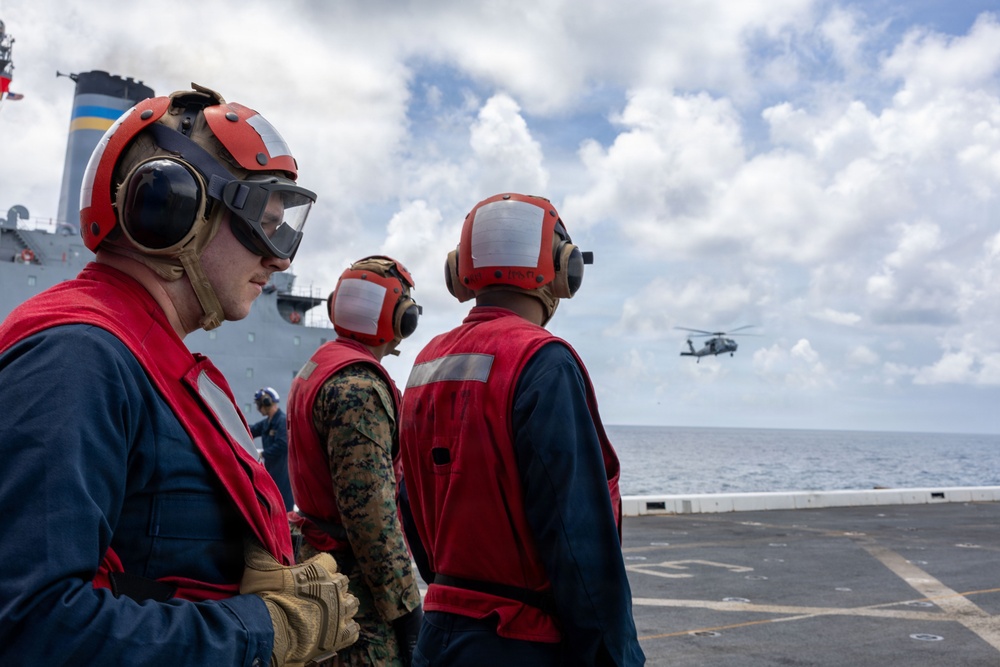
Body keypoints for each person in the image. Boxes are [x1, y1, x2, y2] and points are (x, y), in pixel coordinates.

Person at [0, 84, 359, 666]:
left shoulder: (146, 360)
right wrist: (262, 630)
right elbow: (31, 627)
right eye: (261, 223)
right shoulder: (76, 358)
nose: (279, 258)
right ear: (173, 208)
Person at [397, 193, 646, 666]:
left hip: (440, 637)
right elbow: (577, 538)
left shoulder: (426, 363)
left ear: (459, 272)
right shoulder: (543, 362)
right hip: (523, 643)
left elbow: (410, 502)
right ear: (562, 270)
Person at [287, 256, 425, 666]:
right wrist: (407, 611)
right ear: (401, 320)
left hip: (320, 569)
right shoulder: (359, 389)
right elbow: (372, 520)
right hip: (355, 593)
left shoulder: (320, 367)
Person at [251, 386, 294, 511]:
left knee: (283, 508)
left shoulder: (281, 421)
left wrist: (262, 454)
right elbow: (252, 430)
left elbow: (282, 444)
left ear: (267, 402)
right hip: (272, 471)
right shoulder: (267, 423)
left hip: (282, 472)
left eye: (259, 404)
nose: (258, 408)